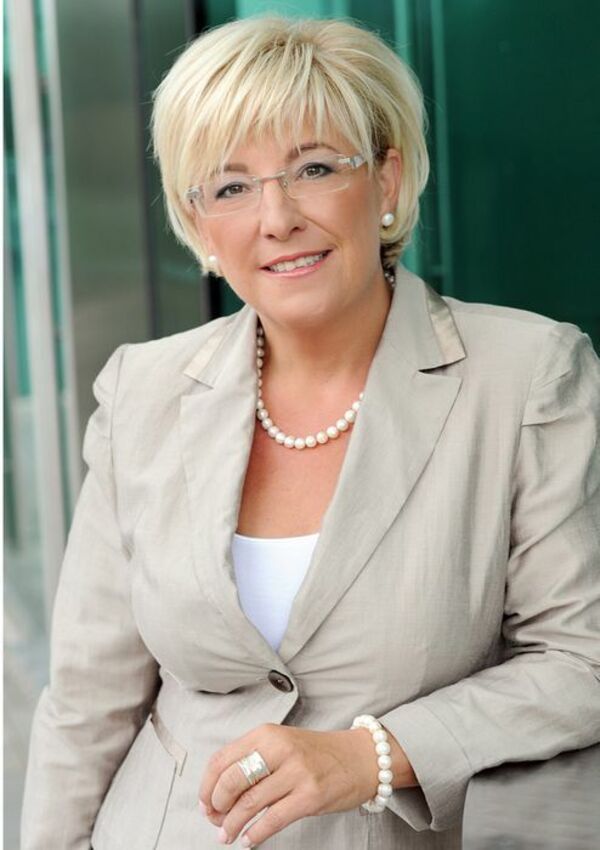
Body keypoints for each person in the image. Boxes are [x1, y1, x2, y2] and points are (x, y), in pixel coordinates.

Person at [21, 14, 600, 850]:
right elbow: (85, 704)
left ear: (387, 181)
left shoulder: (528, 374)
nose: (277, 217)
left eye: (315, 169)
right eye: (231, 187)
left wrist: (374, 755)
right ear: (198, 222)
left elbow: (582, 660)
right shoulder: (142, 389)